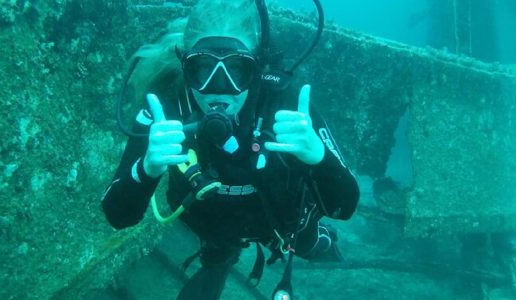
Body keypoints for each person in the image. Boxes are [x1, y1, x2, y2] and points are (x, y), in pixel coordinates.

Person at [101, 0, 359, 299]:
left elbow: (345, 206)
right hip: (211, 223)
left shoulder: (285, 106)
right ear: (185, 65)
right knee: (218, 252)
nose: (219, 88)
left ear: (257, 68)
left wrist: (319, 157)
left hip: (281, 221)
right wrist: (145, 168)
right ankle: (223, 257)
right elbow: (118, 216)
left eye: (236, 69)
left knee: (307, 243)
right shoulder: (165, 107)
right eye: (203, 68)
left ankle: (315, 243)